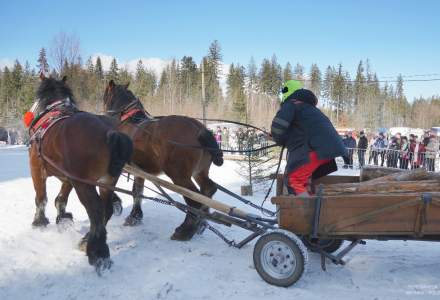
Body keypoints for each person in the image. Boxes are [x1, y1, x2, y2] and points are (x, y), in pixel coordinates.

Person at [271, 80, 347, 197]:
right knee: (304, 179)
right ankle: (311, 202)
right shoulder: (308, 109)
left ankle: (307, 213)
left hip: (314, 149)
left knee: (293, 180)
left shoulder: (291, 104)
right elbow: (301, 133)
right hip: (325, 150)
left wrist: (277, 138)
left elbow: (278, 128)